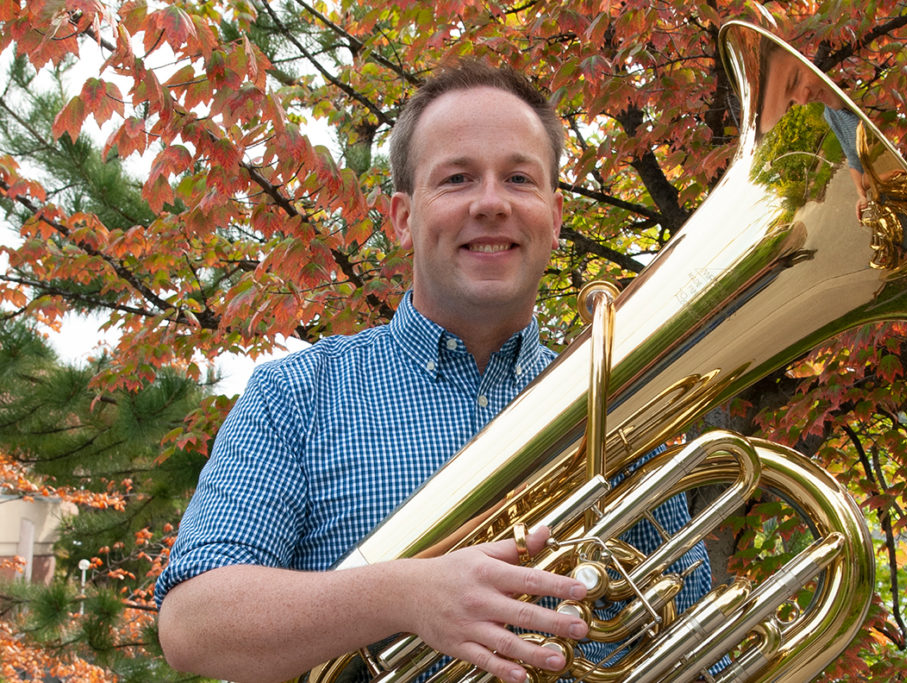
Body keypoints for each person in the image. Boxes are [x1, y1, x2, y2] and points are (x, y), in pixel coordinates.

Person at [156, 61, 713, 683]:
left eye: (519, 179)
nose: (492, 203)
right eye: (456, 178)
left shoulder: (623, 410)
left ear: (555, 217)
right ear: (402, 218)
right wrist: (403, 594)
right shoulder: (297, 394)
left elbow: (696, 652)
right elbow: (193, 624)